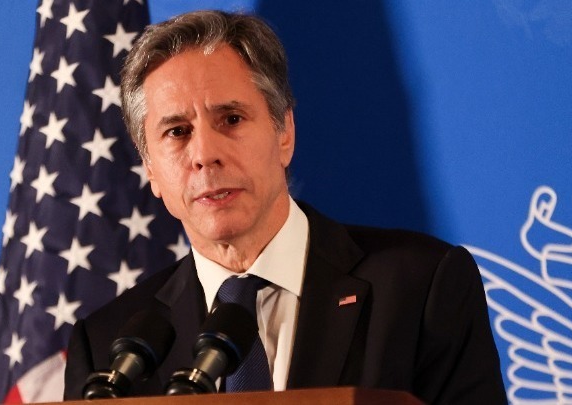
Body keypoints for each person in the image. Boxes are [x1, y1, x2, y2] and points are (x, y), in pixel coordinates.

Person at [63, 10, 507, 404]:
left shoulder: (421, 288)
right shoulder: (108, 348)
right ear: (151, 170)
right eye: (177, 132)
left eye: (231, 119)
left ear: (284, 133)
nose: (205, 154)